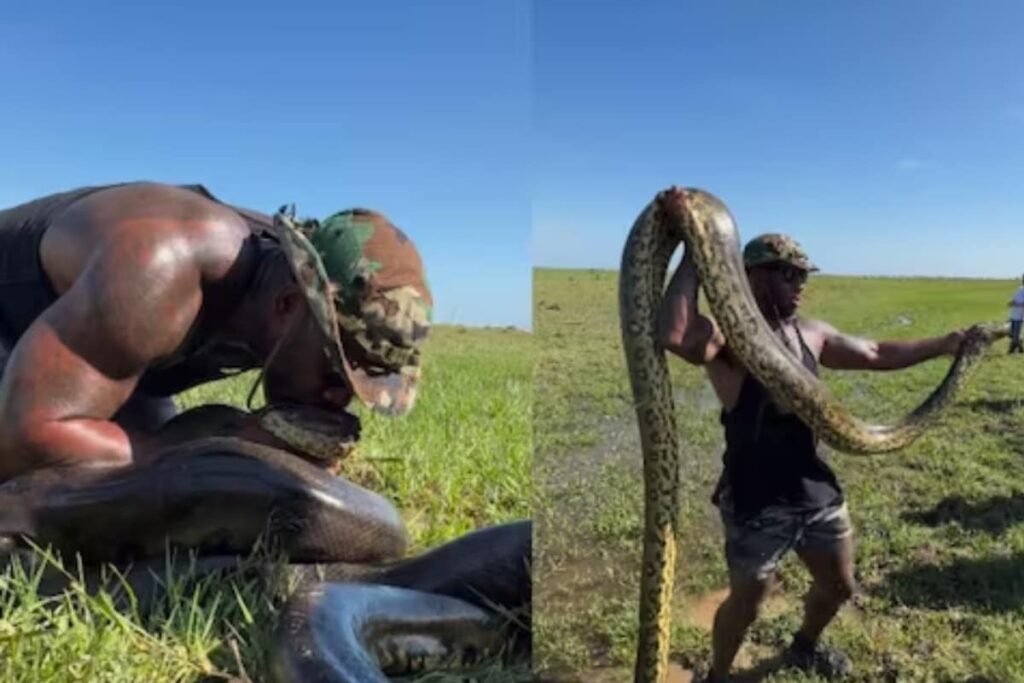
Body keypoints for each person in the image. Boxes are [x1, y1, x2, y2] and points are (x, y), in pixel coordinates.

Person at [655, 187, 965, 681]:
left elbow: (876, 353)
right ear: (750, 275)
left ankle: (803, 645)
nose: (800, 284)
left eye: (803, 275)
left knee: (839, 585)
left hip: (813, 488)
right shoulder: (727, 340)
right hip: (755, 496)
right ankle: (716, 674)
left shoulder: (811, 334)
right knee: (750, 599)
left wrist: (946, 345)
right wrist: (699, 249)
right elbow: (674, 335)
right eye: (788, 273)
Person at [0, 181, 432, 482]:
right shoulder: (163, 268)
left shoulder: (276, 289)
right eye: (335, 371)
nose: (338, 399)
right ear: (286, 304)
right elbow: (25, 436)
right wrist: (225, 449)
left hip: (91, 351)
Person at [1007, 274, 1024, 354]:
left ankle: (1012, 350)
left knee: (1015, 334)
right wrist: (1011, 303)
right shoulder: (1019, 289)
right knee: (1012, 333)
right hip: (1014, 315)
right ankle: (1020, 348)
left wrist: (1016, 304)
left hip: (1020, 316)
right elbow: (1014, 300)